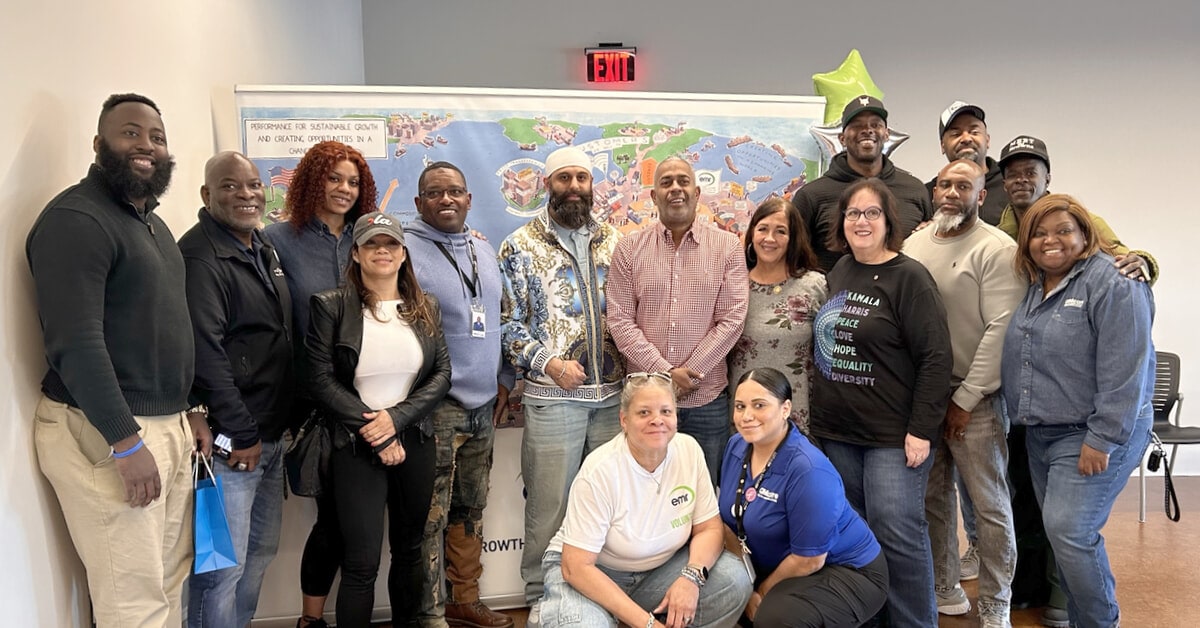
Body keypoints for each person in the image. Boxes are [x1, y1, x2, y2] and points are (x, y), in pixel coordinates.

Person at [26, 93, 211, 628]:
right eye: (130, 133)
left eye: (157, 136)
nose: (146, 145)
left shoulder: (151, 224)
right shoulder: (76, 220)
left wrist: (193, 407)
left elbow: (166, 326)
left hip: (167, 423)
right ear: (99, 143)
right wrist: (124, 440)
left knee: (169, 579)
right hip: (108, 432)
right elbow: (76, 343)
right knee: (133, 598)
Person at [1002, 194, 1155, 628]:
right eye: (1039, 233)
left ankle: (1099, 621)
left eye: (1064, 230)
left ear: (1086, 234)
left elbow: (1127, 369)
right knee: (1061, 535)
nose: (1051, 241)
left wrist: (1102, 438)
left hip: (1088, 432)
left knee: (1071, 533)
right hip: (1042, 434)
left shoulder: (1116, 282)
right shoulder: (1037, 284)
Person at [809, 178, 953, 627]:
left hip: (893, 436)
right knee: (856, 537)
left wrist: (921, 431)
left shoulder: (909, 277)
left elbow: (936, 357)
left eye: (872, 213)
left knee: (898, 534)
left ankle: (914, 622)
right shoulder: (840, 272)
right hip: (839, 434)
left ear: (889, 221)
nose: (861, 221)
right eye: (853, 213)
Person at [497, 146, 626, 625]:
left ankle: (601, 596)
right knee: (549, 506)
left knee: (609, 504)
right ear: (546, 185)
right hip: (554, 400)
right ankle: (540, 599)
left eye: (582, 178)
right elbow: (506, 324)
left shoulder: (617, 241)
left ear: (592, 186)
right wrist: (548, 363)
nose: (574, 186)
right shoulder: (519, 245)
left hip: (614, 402)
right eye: (564, 178)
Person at [306, 212, 451, 627]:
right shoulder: (330, 306)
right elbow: (319, 379)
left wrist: (396, 420)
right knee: (361, 561)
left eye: (390, 244)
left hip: (416, 441)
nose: (382, 251)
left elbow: (442, 375)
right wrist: (378, 432)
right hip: (355, 447)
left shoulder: (426, 307)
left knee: (408, 553)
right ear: (356, 254)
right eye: (372, 244)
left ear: (404, 254)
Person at [905, 160, 1026, 627]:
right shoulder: (915, 243)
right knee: (933, 499)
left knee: (990, 506)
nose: (952, 192)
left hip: (975, 400)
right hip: (924, 398)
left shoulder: (997, 248)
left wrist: (967, 397)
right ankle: (944, 583)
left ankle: (996, 601)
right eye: (945, 184)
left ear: (981, 195)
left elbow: (1002, 329)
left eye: (964, 186)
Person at [262, 140, 378, 628]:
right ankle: (310, 619)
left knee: (360, 522)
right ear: (313, 180)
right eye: (334, 178)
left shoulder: (369, 238)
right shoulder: (277, 240)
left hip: (373, 398)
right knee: (332, 519)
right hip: (315, 402)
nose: (344, 189)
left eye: (353, 181)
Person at [181, 152, 295, 627]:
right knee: (220, 571)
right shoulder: (200, 257)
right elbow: (206, 354)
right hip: (235, 444)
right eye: (230, 186)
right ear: (207, 195)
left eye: (252, 185)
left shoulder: (260, 245)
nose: (246, 195)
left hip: (271, 435)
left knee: (258, 556)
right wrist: (240, 431)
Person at [540, 373, 752, 628]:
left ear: (676, 417)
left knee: (734, 580)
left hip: (659, 570)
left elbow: (709, 528)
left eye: (666, 411)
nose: (657, 420)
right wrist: (648, 624)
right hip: (592, 572)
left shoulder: (689, 449)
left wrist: (691, 577)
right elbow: (576, 567)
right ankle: (555, 614)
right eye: (644, 413)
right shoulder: (600, 470)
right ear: (624, 420)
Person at [407, 161, 516, 628]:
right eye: (435, 193)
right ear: (419, 203)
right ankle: (429, 613)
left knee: (471, 508)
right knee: (430, 515)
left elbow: (503, 316)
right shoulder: (404, 250)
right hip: (435, 407)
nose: (446, 200)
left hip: (483, 406)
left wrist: (506, 381)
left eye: (455, 192)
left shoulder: (481, 249)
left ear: (470, 199)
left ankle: (463, 600)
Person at [608, 156, 748, 484]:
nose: (676, 189)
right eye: (666, 182)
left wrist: (689, 376)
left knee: (704, 493)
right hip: (645, 402)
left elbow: (732, 319)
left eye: (683, 181)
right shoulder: (629, 249)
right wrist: (666, 377)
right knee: (641, 491)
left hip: (706, 401)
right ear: (653, 196)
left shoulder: (727, 247)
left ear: (697, 192)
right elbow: (619, 319)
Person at [719, 368, 887, 627]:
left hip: (843, 569)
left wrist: (759, 593)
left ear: (785, 409)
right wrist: (745, 583)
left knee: (774, 618)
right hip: (776, 565)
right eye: (740, 406)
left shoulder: (808, 469)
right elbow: (728, 523)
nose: (747, 416)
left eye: (759, 405)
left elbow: (810, 559)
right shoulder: (736, 446)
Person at [792, 95, 933, 271]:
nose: (867, 130)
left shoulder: (915, 190)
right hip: (834, 296)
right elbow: (793, 260)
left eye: (876, 125)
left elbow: (931, 247)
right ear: (842, 138)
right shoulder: (811, 195)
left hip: (903, 296)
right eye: (857, 125)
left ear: (887, 134)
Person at [996, 135, 1157, 283]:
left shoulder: (1078, 222)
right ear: (1004, 184)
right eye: (1012, 175)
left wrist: (1143, 262)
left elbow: (1124, 258)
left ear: (1047, 179)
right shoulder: (998, 236)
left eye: (1030, 173)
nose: (1021, 180)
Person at [727, 198, 827, 432]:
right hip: (744, 416)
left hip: (797, 415)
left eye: (780, 231)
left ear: (794, 238)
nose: (769, 238)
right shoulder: (733, 285)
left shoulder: (814, 285)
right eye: (762, 229)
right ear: (752, 234)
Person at [924, 101, 1008, 225]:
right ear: (942, 145)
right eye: (955, 134)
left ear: (987, 140)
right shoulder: (927, 193)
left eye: (974, 132)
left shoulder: (1010, 184)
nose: (966, 139)